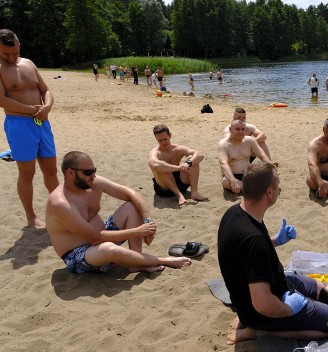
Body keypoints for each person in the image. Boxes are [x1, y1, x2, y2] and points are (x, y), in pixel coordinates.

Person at [218, 162, 328, 344]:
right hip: (260, 311)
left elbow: (245, 252)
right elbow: (262, 303)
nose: (280, 189)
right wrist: (287, 309)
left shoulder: (235, 212)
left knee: (319, 289)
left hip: (275, 283)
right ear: (269, 192)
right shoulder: (255, 241)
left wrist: (275, 241)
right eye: (278, 186)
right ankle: (258, 332)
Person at [45, 151, 192, 274]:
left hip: (102, 239)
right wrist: (137, 231)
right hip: (77, 254)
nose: (93, 176)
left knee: (132, 206)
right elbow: (94, 237)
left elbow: (132, 194)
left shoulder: (94, 183)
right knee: (109, 249)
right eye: (88, 172)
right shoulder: (60, 203)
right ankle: (160, 260)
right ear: (70, 173)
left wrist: (148, 221)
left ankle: (135, 264)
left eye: (94, 170)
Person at [0, 29, 59, 228]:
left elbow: (45, 90)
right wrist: (29, 110)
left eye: (15, 52)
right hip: (19, 124)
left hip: (42, 121)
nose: (11, 57)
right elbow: (1, 99)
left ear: (19, 45)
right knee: (27, 173)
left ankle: (60, 211)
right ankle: (31, 217)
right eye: (6, 53)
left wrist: (47, 106)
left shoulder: (28, 63)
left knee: (51, 170)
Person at [147, 124, 207, 206]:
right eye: (160, 141)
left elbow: (199, 155)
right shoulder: (155, 152)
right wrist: (179, 168)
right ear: (156, 139)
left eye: (165, 139)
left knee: (192, 159)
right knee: (161, 166)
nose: (163, 142)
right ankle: (179, 195)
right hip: (164, 188)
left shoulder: (178, 148)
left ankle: (194, 193)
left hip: (181, 183)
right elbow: (155, 165)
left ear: (170, 136)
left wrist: (188, 164)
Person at [218, 119, 271, 194]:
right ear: (230, 129)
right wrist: (233, 181)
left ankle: (251, 189)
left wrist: (270, 167)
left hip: (248, 173)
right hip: (233, 176)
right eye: (237, 129)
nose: (240, 132)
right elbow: (223, 164)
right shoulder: (224, 144)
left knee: (266, 172)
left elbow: (262, 156)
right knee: (225, 182)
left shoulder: (250, 141)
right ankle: (254, 190)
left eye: (243, 129)